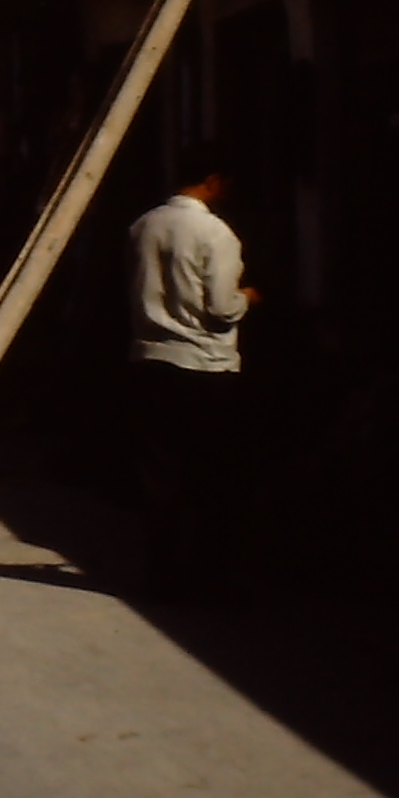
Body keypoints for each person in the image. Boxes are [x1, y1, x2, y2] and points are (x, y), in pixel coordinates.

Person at [126, 150, 260, 598]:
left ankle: (161, 573)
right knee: (208, 475)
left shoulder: (144, 225)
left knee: (159, 474)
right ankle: (206, 575)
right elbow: (221, 308)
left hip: (151, 359)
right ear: (214, 181)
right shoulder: (216, 233)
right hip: (204, 365)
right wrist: (247, 298)